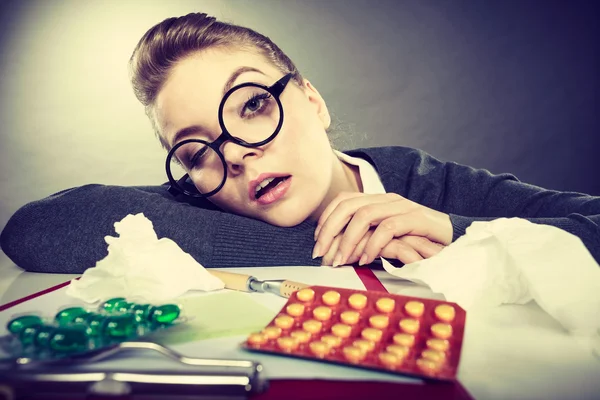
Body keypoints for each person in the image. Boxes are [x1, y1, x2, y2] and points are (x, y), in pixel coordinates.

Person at [1, 13, 599, 274]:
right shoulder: (201, 197)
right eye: (194, 149)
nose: (233, 154)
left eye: (252, 105)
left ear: (311, 100)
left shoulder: (425, 184)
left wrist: (457, 232)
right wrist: (322, 248)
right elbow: (36, 228)